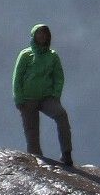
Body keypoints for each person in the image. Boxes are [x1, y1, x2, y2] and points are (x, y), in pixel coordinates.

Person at [13, 23, 73, 167]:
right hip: (28, 99)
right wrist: (19, 98)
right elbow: (17, 77)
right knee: (32, 132)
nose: (42, 36)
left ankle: (66, 153)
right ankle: (37, 164)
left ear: (48, 36)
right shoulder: (26, 55)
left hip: (47, 98)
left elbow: (59, 77)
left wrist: (55, 95)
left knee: (61, 115)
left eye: (44, 33)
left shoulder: (52, 56)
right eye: (39, 33)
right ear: (34, 36)